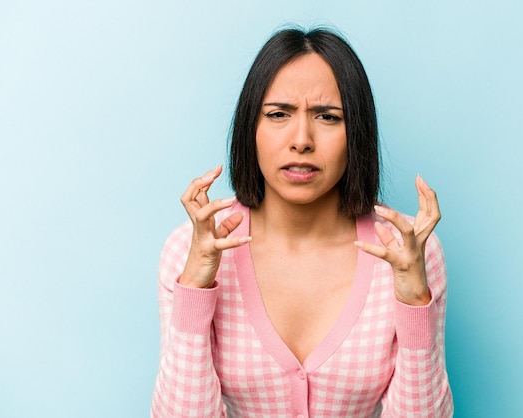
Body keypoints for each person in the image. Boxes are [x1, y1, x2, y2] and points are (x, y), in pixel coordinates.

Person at [151, 26, 453, 418]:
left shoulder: (410, 251)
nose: (301, 140)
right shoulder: (189, 249)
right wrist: (194, 286)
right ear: (250, 129)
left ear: (356, 133)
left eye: (328, 117)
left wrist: (414, 302)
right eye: (278, 114)